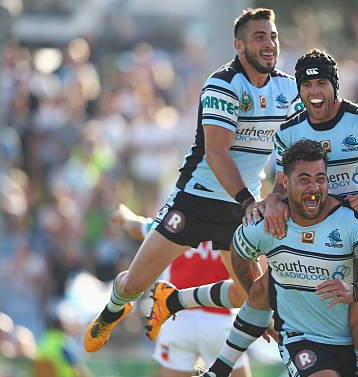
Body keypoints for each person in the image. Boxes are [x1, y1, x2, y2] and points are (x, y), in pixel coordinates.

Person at [152, 49, 358, 377]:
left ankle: (196, 331)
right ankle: (218, 367)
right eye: (306, 84)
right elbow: (282, 185)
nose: (314, 91)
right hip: (316, 232)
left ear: (334, 85)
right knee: (264, 287)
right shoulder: (290, 130)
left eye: (321, 83)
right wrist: (274, 202)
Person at [83, 8, 300, 352]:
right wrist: (249, 201)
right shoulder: (223, 83)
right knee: (134, 284)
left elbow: (295, 149)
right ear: (239, 46)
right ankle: (110, 313)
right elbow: (216, 153)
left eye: (273, 36)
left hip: (242, 206)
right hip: (197, 200)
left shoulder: (288, 88)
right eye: (260, 37)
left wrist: (276, 193)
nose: (270, 44)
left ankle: (173, 301)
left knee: (255, 296)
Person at [173, 140, 358, 377]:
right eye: (304, 179)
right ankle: (217, 369)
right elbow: (239, 253)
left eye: (320, 179)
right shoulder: (266, 225)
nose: (314, 187)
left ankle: (217, 370)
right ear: (285, 182)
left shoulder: (353, 222)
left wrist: (355, 291)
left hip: (354, 346)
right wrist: (259, 303)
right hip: (304, 342)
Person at [110, 204, 256, 377]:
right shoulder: (233, 222)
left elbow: (139, 228)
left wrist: (125, 216)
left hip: (176, 320)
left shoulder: (180, 220)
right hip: (220, 322)